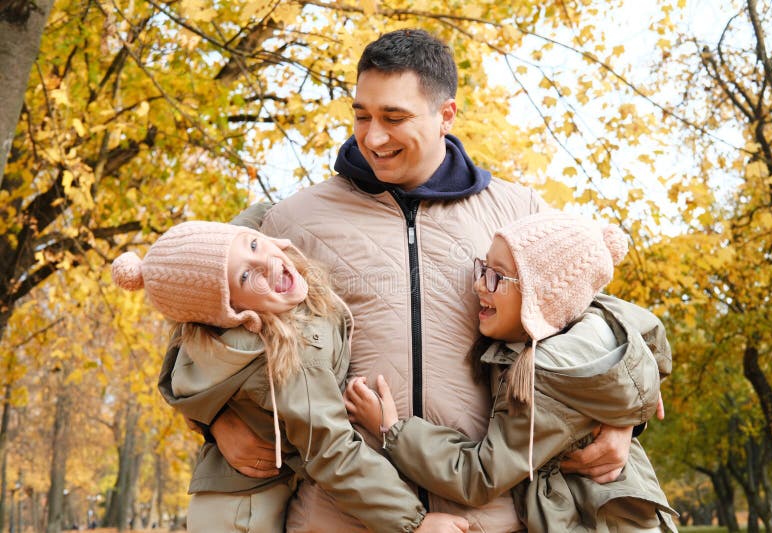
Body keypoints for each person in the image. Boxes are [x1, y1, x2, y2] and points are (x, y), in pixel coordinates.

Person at [160, 28, 662, 531]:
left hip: (489, 518)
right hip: (336, 518)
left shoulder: (520, 212)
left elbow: (600, 335)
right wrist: (215, 422)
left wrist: (621, 421)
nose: (372, 136)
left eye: (394, 118)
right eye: (361, 115)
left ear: (446, 115)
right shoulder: (290, 222)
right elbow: (196, 338)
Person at [112, 221, 468, 532]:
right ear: (232, 313)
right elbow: (331, 451)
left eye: (253, 244)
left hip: (230, 501)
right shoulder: (290, 357)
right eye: (245, 276)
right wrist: (414, 523)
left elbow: (236, 237)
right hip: (243, 515)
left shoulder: (221, 332)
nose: (264, 262)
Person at [345, 211, 678, 532]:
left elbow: (479, 476)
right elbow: (648, 329)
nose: (478, 284)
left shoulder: (544, 379)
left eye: (497, 276)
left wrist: (391, 430)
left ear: (543, 297)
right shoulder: (603, 330)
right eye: (483, 268)